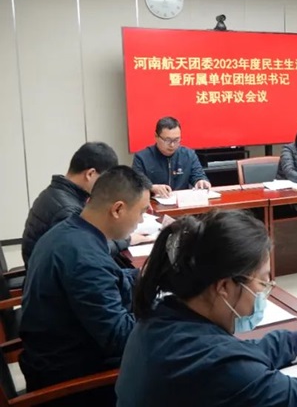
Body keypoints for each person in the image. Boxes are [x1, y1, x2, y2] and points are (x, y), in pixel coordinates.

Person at [115, 210, 297, 407]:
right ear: (224, 286)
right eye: (262, 282)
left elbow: (235, 357)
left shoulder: (161, 316)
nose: (265, 292)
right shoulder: (217, 363)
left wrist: (294, 342)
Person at [20, 166, 152, 407]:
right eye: (142, 212)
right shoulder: (84, 257)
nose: (142, 220)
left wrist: (145, 276)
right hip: (71, 382)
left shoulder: (71, 231)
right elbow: (121, 339)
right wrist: (166, 316)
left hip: (56, 354)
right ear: (118, 209)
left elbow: (107, 279)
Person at [21, 142, 150, 270]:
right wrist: (127, 240)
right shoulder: (68, 211)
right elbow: (88, 250)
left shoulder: (58, 192)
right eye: (106, 179)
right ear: (90, 174)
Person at [132, 116, 210, 198]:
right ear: (156, 136)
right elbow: (136, 183)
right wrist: (152, 187)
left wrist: (201, 181)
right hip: (154, 202)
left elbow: (198, 175)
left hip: (181, 202)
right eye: (167, 140)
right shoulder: (142, 158)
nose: (172, 145)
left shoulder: (189, 155)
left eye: (176, 140)